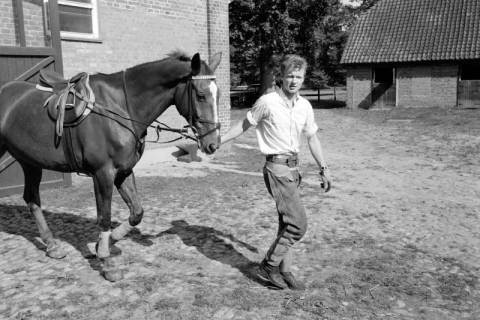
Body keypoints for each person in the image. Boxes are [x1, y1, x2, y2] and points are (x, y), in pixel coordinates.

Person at [221, 54, 331, 290]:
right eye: (290, 75)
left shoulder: (305, 106)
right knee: (298, 224)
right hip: (277, 169)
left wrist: (324, 167)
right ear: (281, 76)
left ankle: (285, 270)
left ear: (304, 78)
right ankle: (268, 266)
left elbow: (312, 138)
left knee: (286, 223)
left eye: (298, 76)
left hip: (294, 169)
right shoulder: (268, 102)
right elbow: (244, 124)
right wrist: (219, 140)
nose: (294, 80)